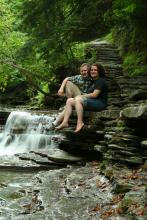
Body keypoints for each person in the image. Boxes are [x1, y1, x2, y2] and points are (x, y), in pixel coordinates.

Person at [55, 63, 108, 133]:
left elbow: (95, 95)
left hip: (100, 103)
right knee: (69, 101)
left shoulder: (100, 80)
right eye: (91, 70)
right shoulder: (93, 81)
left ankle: (80, 122)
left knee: (78, 99)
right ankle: (65, 122)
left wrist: (80, 96)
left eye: (95, 70)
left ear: (99, 72)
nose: (93, 71)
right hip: (92, 102)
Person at [46, 63, 93, 129]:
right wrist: (61, 88)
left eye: (85, 70)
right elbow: (67, 78)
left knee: (68, 106)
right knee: (68, 82)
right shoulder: (79, 77)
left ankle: (56, 122)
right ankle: (69, 103)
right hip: (78, 97)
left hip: (86, 98)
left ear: (89, 70)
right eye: (82, 71)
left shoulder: (93, 78)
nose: (83, 72)